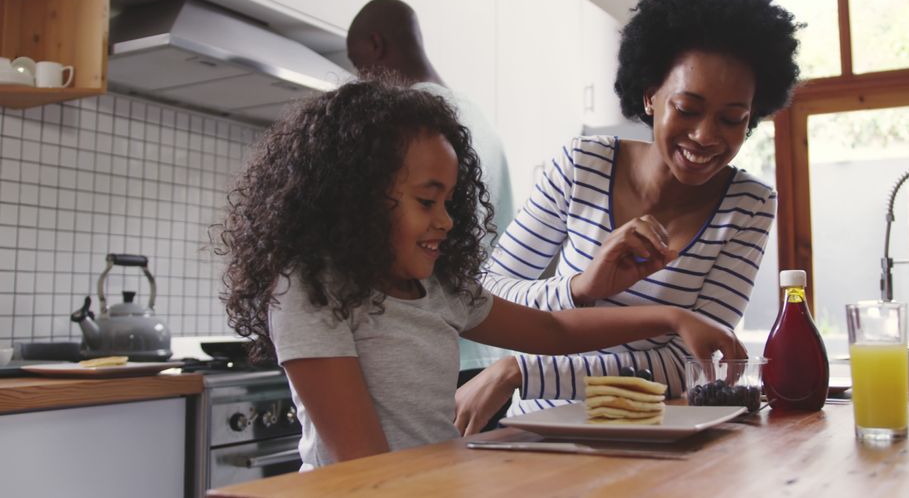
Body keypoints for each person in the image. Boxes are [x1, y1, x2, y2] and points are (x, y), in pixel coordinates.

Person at [216, 79, 745, 469]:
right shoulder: (311, 291)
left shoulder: (439, 291)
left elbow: (554, 331)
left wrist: (674, 318)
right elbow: (365, 465)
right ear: (355, 198)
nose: (445, 221)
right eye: (428, 200)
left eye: (449, 201)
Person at [455, 0, 800, 428]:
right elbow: (486, 295)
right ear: (650, 95)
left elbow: (690, 363)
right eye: (687, 109)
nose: (705, 136)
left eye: (732, 118)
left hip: (662, 435)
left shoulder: (748, 206)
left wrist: (526, 371)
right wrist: (581, 288)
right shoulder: (583, 167)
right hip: (544, 430)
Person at [347, 0, 515, 428]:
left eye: (358, 64)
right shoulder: (478, 117)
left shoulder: (407, 130)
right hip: (487, 352)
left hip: (435, 352)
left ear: (376, 46)